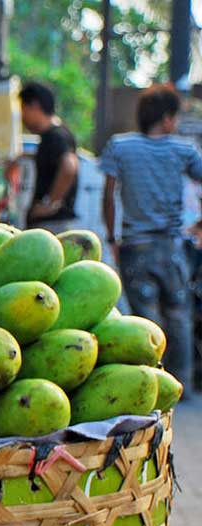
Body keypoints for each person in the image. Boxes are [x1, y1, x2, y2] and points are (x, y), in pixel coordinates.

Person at [100, 84, 202, 396]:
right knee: (178, 314)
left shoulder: (120, 146)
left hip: (134, 246)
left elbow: (109, 193)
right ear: (168, 119)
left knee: (145, 320)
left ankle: (152, 385)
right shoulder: (183, 150)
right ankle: (180, 383)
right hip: (172, 247)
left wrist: (111, 236)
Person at [19, 82, 80, 232]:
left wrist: (50, 204)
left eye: (24, 109)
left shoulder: (56, 136)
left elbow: (70, 166)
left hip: (53, 226)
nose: (22, 117)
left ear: (34, 106)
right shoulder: (51, 137)